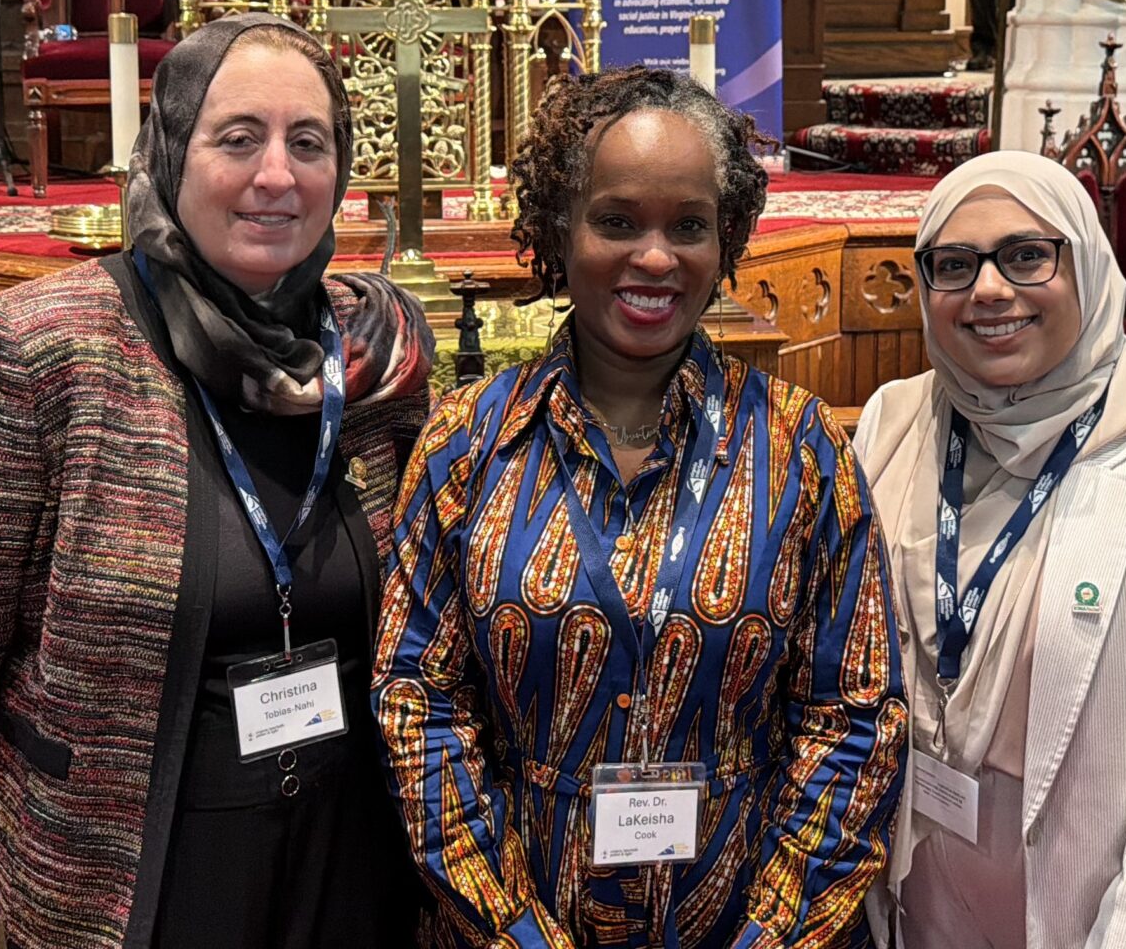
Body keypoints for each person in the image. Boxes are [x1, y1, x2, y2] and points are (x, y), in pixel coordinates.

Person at [0, 13, 436, 949]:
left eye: (308, 142)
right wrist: (12, 848)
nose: (277, 175)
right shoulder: (34, 352)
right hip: (133, 880)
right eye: (236, 139)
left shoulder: (375, 362)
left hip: (351, 861)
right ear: (168, 153)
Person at [374, 66, 909, 949]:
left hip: (742, 914)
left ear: (727, 238)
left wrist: (770, 935)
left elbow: (854, 714)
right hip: (513, 915)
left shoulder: (800, 447)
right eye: (617, 221)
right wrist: (513, 932)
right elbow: (418, 703)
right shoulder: (467, 444)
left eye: (688, 226)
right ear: (560, 229)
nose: (656, 258)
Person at [854, 151, 1126, 949]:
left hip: (1117, 918)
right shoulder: (893, 425)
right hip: (924, 903)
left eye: (1027, 255)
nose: (989, 289)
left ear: (1087, 266)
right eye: (954, 264)